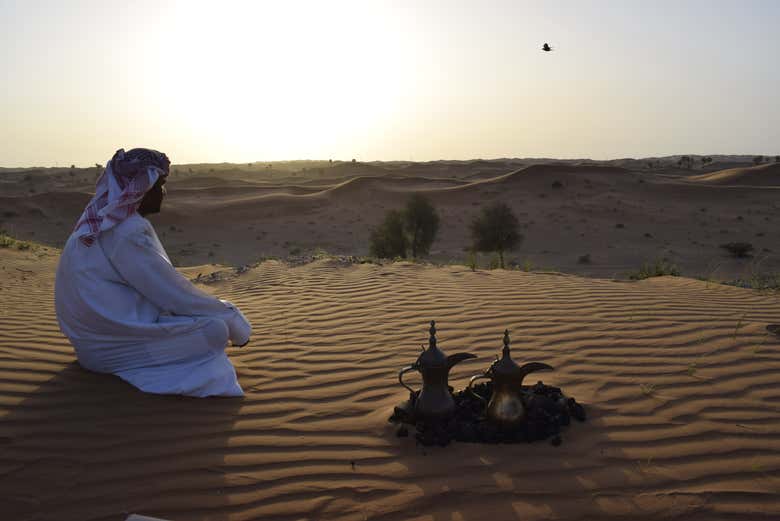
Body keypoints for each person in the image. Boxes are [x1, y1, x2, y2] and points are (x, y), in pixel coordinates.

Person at [55, 148, 251, 397]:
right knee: (215, 331)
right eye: (158, 185)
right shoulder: (125, 231)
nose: (163, 193)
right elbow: (172, 294)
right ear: (140, 187)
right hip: (111, 351)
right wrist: (234, 320)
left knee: (206, 322)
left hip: (90, 347)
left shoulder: (96, 221)